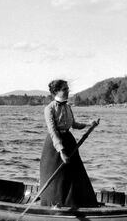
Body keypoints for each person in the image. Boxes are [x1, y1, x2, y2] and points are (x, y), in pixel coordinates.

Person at [40, 79, 98, 208]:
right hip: (54, 146)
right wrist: (61, 151)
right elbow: (53, 131)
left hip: (69, 141)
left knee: (75, 174)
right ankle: (54, 205)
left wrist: (89, 124)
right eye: (64, 89)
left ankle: (77, 204)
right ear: (56, 91)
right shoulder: (49, 109)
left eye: (67, 89)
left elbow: (74, 125)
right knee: (57, 178)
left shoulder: (68, 106)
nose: (68, 91)